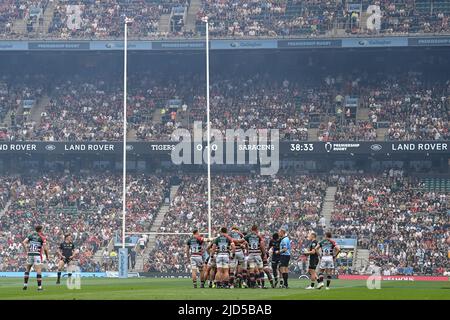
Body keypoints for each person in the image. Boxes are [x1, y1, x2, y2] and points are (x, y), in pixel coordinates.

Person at [22, 225, 50, 291]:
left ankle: (25, 286)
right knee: (38, 271)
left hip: (30, 254)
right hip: (37, 254)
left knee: (27, 270)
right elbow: (45, 249)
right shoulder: (42, 237)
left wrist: (27, 251)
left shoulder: (31, 235)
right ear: (40, 230)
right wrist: (47, 256)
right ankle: (39, 287)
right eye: (42, 229)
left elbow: (23, 242)